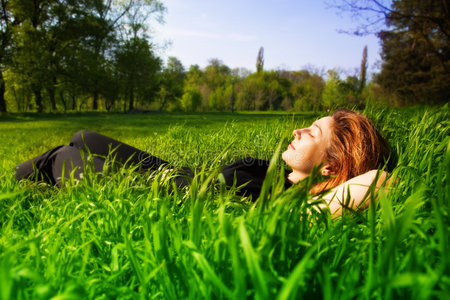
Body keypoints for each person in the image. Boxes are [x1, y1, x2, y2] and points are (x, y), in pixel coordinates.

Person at [15, 109, 395, 216]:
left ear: (330, 166)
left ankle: (25, 177)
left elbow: (379, 180)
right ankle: (34, 174)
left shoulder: (296, 206)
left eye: (312, 132)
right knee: (85, 137)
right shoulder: (278, 174)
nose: (298, 131)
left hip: (160, 191)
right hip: (170, 171)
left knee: (62, 158)